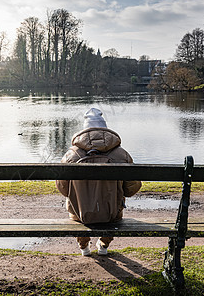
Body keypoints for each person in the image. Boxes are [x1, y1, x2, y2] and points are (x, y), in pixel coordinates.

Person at [56, 108, 141, 256]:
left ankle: (84, 247)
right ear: (106, 130)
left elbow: (63, 188)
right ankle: (103, 245)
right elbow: (131, 189)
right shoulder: (121, 155)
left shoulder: (71, 156)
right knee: (116, 204)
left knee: (74, 204)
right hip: (111, 214)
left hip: (80, 213)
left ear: (84, 131)